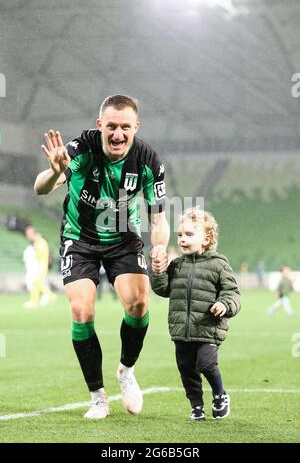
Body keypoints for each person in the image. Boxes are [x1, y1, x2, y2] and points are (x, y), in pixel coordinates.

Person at [34, 94, 169, 420]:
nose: (118, 134)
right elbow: (41, 188)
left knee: (138, 304)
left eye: (125, 127)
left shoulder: (148, 160)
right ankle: (97, 396)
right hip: (79, 239)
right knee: (81, 309)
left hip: (123, 237)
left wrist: (160, 245)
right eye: (111, 126)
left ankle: (126, 370)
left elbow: (158, 218)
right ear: (100, 125)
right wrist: (54, 173)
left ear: (136, 127)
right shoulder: (81, 148)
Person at [151, 207, 240, 421]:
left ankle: (219, 395)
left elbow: (232, 293)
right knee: (187, 370)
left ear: (206, 238)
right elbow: (163, 290)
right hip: (181, 329)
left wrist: (224, 305)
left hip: (208, 327)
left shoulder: (218, 264)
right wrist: (158, 272)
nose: (182, 239)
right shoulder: (177, 265)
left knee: (206, 364)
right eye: (180, 234)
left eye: (189, 234)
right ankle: (196, 406)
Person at [22, 225, 57, 308]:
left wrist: (38, 263)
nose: (27, 235)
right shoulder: (38, 242)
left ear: (33, 233)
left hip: (41, 265)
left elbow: (42, 255)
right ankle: (42, 298)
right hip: (40, 265)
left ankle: (41, 299)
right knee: (37, 283)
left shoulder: (40, 241)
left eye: (28, 233)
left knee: (36, 282)